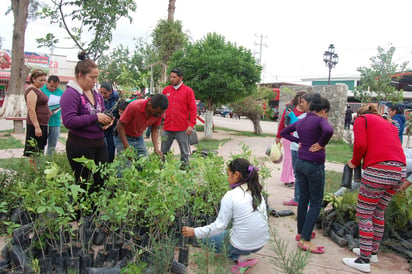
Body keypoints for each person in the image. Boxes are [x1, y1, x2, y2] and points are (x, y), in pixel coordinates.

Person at [342, 104, 406, 273]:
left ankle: (363, 260)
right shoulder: (388, 123)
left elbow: (361, 145)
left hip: (379, 170)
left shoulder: (361, 120)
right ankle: (372, 252)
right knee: (378, 212)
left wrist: (355, 162)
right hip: (399, 171)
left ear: (361, 114)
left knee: (364, 212)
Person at [182, 158, 269, 273]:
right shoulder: (256, 191)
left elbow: (219, 226)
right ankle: (242, 257)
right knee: (236, 227)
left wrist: (195, 231)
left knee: (204, 240)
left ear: (236, 175)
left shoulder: (231, 195)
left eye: (228, 175)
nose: (227, 178)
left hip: (242, 245)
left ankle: (241, 261)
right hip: (261, 242)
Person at [280, 94, 333, 254]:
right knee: (316, 202)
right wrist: (321, 144)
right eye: (327, 113)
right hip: (314, 164)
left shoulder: (302, 120)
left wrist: (298, 142)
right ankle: (305, 240)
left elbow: (284, 132)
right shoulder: (319, 120)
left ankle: (301, 233)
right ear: (323, 110)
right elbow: (329, 130)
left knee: (303, 198)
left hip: (300, 163)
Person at [61, 52, 113, 195]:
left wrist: (106, 120)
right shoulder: (71, 94)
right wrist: (95, 117)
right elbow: (69, 121)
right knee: (82, 182)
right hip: (80, 145)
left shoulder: (95, 93)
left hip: (99, 143)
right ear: (80, 75)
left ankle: (93, 213)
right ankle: (78, 214)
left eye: (96, 78)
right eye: (91, 77)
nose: (94, 81)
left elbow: (101, 111)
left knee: (101, 179)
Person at [161, 68, 197, 164]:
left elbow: (193, 109)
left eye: (174, 77)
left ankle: (185, 172)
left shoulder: (188, 91)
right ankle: (161, 171)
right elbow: (161, 107)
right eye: (171, 77)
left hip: (182, 129)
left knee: (184, 153)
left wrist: (191, 125)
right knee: (163, 152)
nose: (172, 79)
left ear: (181, 78)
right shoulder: (166, 90)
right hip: (167, 127)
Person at [283, 93, 312, 206]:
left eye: (303, 102)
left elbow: (301, 128)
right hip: (295, 147)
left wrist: (293, 117)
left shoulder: (312, 117)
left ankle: (305, 199)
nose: (300, 104)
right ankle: (297, 198)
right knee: (298, 174)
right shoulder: (302, 116)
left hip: (302, 149)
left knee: (305, 174)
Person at [275, 94, 306, 187]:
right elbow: (283, 123)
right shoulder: (290, 109)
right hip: (289, 137)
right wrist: (278, 136)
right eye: (301, 100)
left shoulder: (307, 112)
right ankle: (288, 179)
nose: (302, 102)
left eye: (304, 100)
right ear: (297, 99)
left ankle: (293, 178)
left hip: (300, 138)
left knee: (296, 160)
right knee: (289, 159)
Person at [23, 69, 51, 161]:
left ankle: (37, 169)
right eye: (40, 80)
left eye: (44, 80)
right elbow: (31, 109)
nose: (43, 82)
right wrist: (37, 127)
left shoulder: (38, 90)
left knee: (40, 149)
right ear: (33, 79)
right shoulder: (31, 91)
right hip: (36, 125)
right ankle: (33, 171)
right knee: (34, 151)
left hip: (43, 124)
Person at [41, 75, 64, 156]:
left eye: (55, 86)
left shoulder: (61, 92)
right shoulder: (41, 90)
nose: (53, 88)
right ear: (47, 82)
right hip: (43, 121)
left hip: (55, 121)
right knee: (41, 144)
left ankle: (49, 162)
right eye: (51, 86)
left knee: (52, 146)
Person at [100, 82, 119, 163]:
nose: (103, 95)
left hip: (112, 130)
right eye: (101, 92)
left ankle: (109, 166)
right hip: (101, 128)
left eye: (105, 93)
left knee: (110, 150)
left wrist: (113, 120)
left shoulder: (117, 101)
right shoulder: (100, 100)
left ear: (110, 92)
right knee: (101, 149)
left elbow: (118, 115)